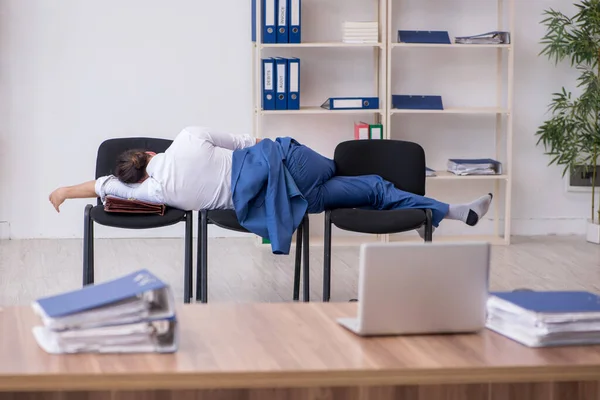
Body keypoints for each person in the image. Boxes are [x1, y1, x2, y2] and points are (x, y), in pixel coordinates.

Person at [49, 126, 493, 252]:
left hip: (281, 202)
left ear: (137, 178)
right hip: (289, 167)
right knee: (336, 167)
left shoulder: (153, 194)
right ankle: (447, 211)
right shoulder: (185, 139)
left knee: (371, 187)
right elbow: (246, 142)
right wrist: (267, 149)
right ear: (147, 154)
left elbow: (102, 185)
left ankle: (453, 212)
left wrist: (66, 191)